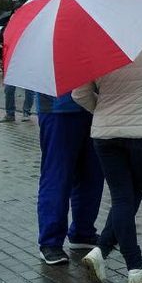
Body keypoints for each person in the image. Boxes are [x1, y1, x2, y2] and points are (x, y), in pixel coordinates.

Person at [73, 29, 142, 283]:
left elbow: (79, 93)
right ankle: (135, 267)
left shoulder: (91, 40)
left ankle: (100, 251)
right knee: (131, 199)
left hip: (106, 134)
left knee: (122, 199)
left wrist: (103, 111)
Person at [35, 90, 105, 265]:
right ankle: (50, 242)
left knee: (92, 175)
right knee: (57, 176)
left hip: (92, 109)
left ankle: (83, 232)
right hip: (58, 109)